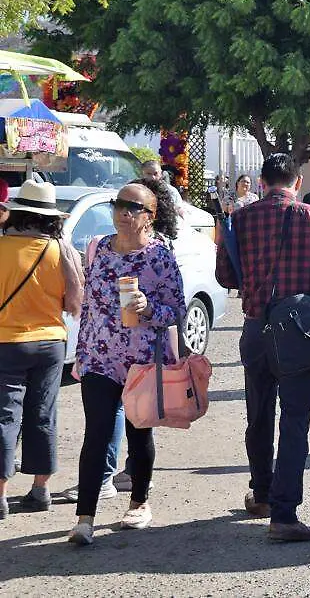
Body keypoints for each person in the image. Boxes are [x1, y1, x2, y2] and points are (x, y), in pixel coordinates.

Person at [216, 153, 310, 542]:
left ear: (262, 180)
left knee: (258, 416)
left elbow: (224, 275)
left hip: (256, 327)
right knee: (295, 421)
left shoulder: (239, 218)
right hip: (297, 332)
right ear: (297, 179)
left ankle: (261, 494)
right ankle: (285, 513)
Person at [69, 182, 185, 545]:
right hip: (100, 359)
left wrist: (149, 309)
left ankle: (139, 502)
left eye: (133, 207)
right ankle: (84, 519)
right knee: (96, 435)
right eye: (119, 204)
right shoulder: (100, 249)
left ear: (149, 217)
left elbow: (177, 309)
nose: (123, 212)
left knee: (139, 435)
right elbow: (89, 304)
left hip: (142, 362)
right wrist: (82, 352)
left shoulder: (159, 256)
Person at [0, 181, 83, 521]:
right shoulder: (60, 252)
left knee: (6, 417)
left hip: (6, 342)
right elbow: (71, 301)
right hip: (50, 343)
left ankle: (1, 497)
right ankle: (40, 490)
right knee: (43, 414)